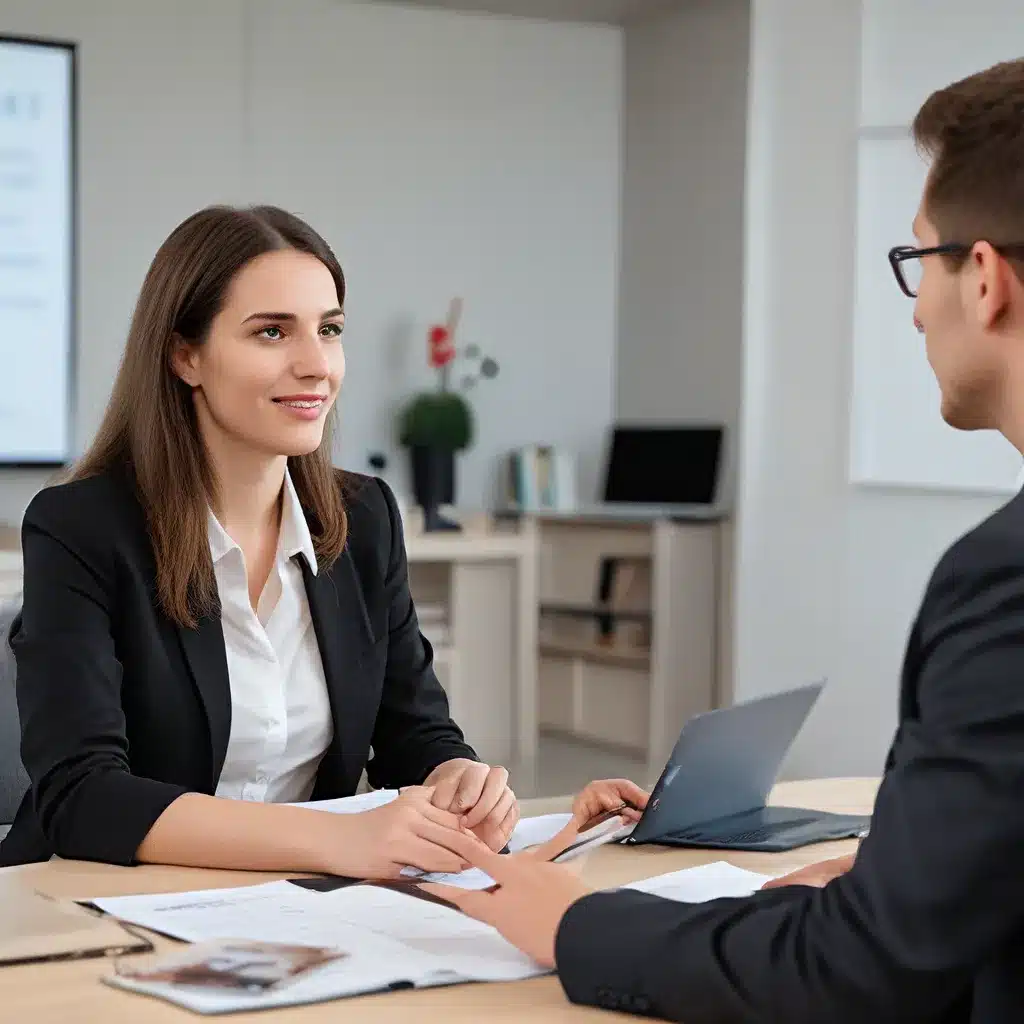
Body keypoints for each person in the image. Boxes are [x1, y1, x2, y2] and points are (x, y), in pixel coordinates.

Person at [425, 58, 1024, 1022]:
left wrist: (577, 923)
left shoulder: (1005, 575)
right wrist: (911, 873)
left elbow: (859, 973)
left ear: (985, 278)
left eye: (919, 263)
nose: (915, 308)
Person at [0, 205, 517, 875]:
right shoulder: (82, 528)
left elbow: (413, 732)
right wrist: (338, 841)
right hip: (101, 904)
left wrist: (457, 778)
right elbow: (83, 795)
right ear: (185, 355)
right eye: (272, 332)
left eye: (328, 330)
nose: (315, 366)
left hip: (296, 913)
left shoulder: (365, 521)